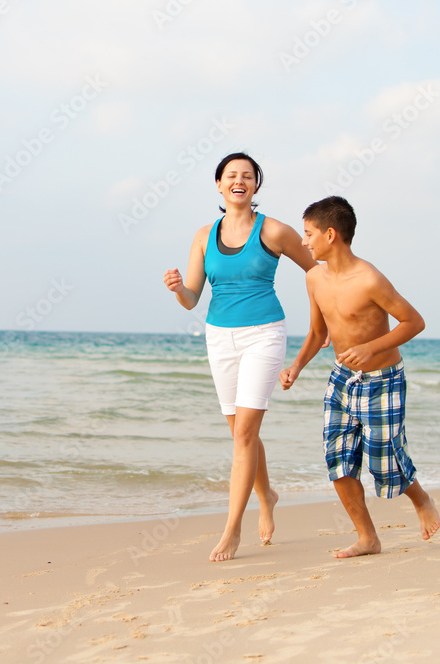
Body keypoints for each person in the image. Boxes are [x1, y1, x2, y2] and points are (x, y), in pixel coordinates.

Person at [163, 152, 317, 562]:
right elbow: (193, 297)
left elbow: (317, 270)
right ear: (219, 185)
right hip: (219, 338)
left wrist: (330, 317)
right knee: (240, 433)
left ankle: (232, 530)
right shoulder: (202, 235)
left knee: (245, 433)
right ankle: (267, 495)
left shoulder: (275, 231)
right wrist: (179, 288)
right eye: (231, 175)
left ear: (255, 187)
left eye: (247, 176)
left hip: (264, 334)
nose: (239, 180)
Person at [279, 195, 440, 558]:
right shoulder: (313, 278)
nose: (303, 241)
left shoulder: (369, 279)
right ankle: (367, 538)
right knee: (338, 459)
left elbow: (414, 322)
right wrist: (296, 366)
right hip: (341, 379)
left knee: (383, 457)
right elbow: (318, 334)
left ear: (331, 234)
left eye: (308, 233)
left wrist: (371, 348)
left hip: (383, 379)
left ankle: (420, 498)